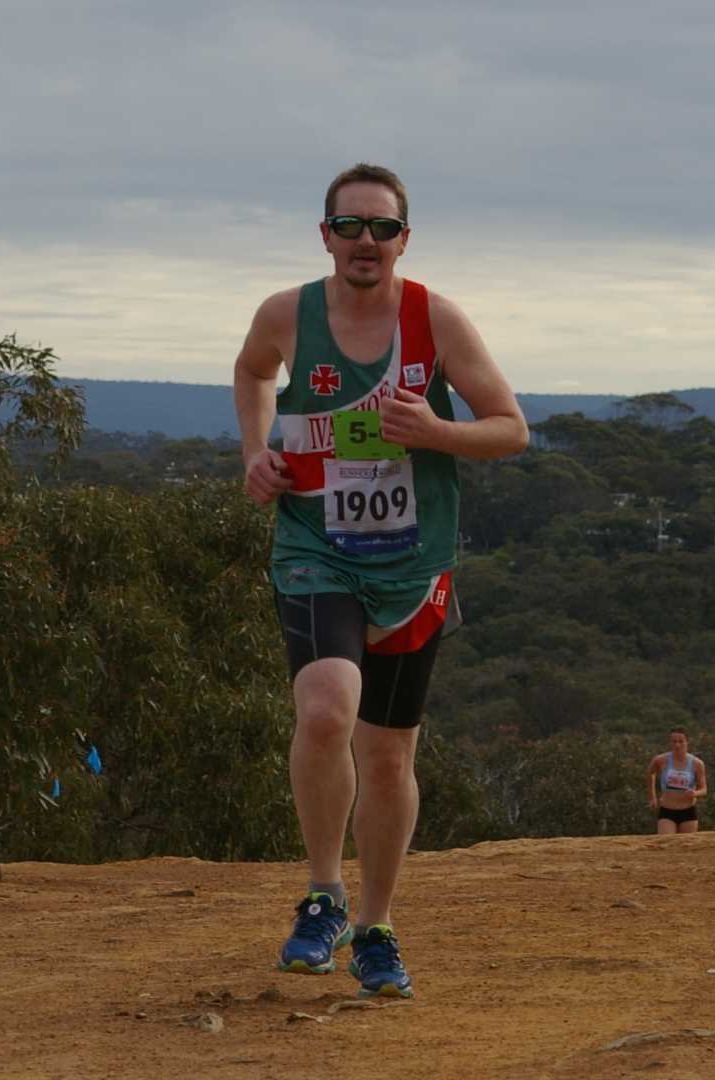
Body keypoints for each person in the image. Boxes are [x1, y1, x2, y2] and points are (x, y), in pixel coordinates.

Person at [233, 163, 528, 999]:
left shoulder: (433, 317)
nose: (367, 242)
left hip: (412, 564)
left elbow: (511, 429)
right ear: (323, 233)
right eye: (350, 226)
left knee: (391, 755)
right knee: (326, 712)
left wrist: (434, 429)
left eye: (383, 228)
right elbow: (253, 372)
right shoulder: (286, 314)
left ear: (405, 238)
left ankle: (376, 926)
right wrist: (256, 453)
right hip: (313, 548)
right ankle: (322, 894)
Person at [648, 728, 707, 834]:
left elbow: (704, 789)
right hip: (667, 811)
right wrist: (652, 797)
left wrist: (695, 793)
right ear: (670, 742)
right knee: (666, 843)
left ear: (687, 742)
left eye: (681, 741)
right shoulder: (660, 760)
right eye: (674, 741)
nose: (677, 745)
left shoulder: (697, 764)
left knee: (686, 846)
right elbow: (650, 773)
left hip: (688, 811)